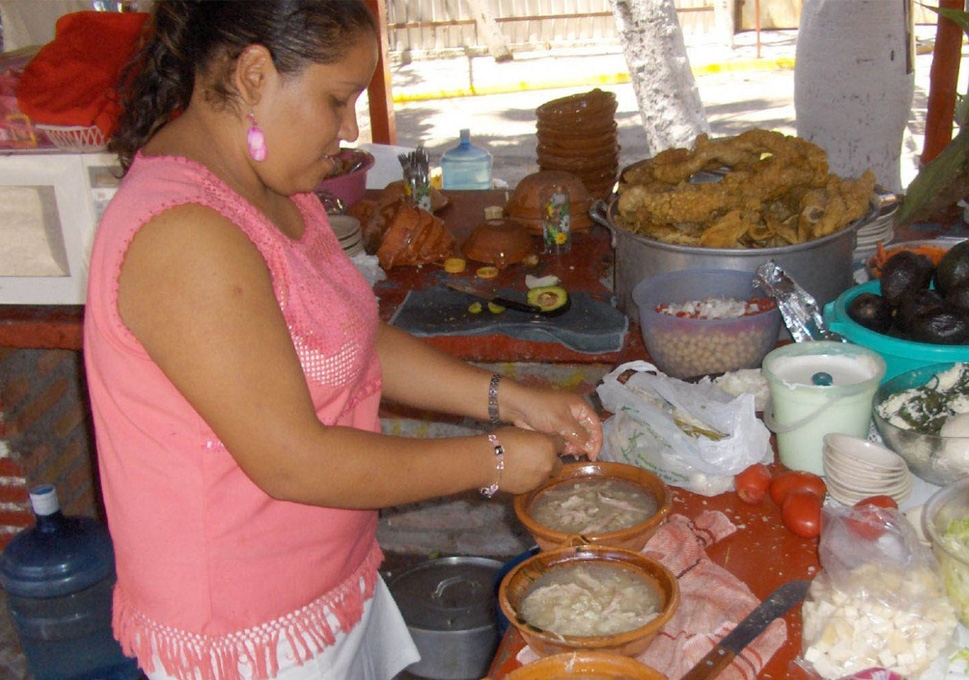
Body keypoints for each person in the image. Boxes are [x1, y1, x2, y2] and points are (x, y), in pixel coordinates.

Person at [82, 2, 603, 679]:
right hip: (247, 631)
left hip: (326, 580)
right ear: (254, 75)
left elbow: (351, 337)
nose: (350, 128)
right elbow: (294, 461)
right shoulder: (185, 236)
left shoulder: (273, 189)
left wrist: (509, 399)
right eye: (338, 100)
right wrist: (494, 459)